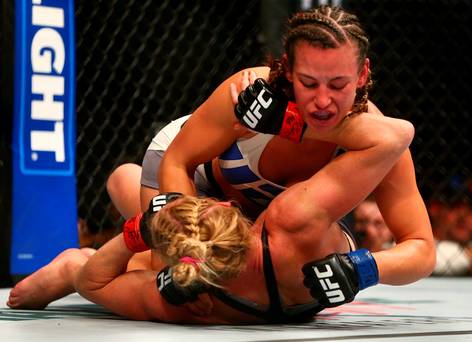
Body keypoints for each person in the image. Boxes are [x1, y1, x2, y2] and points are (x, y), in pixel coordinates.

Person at [7, 101, 432, 324]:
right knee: (129, 188)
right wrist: (361, 268)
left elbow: (93, 281)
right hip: (192, 165)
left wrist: (142, 228)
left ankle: (121, 233)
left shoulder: (186, 296)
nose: (322, 101)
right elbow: (398, 134)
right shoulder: (294, 217)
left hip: (209, 232)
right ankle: (127, 229)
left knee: (126, 190)